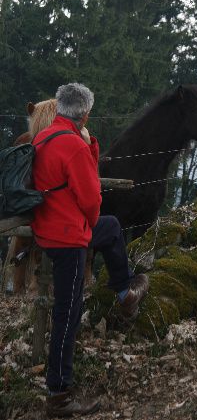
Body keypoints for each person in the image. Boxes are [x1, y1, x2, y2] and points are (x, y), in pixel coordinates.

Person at [31, 83, 149, 418]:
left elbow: (86, 189)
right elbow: (92, 200)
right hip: (66, 238)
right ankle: (58, 393)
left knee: (110, 228)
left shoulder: (45, 136)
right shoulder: (72, 146)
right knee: (67, 312)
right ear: (85, 113)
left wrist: (90, 143)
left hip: (48, 228)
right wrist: (85, 147)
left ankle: (125, 290)